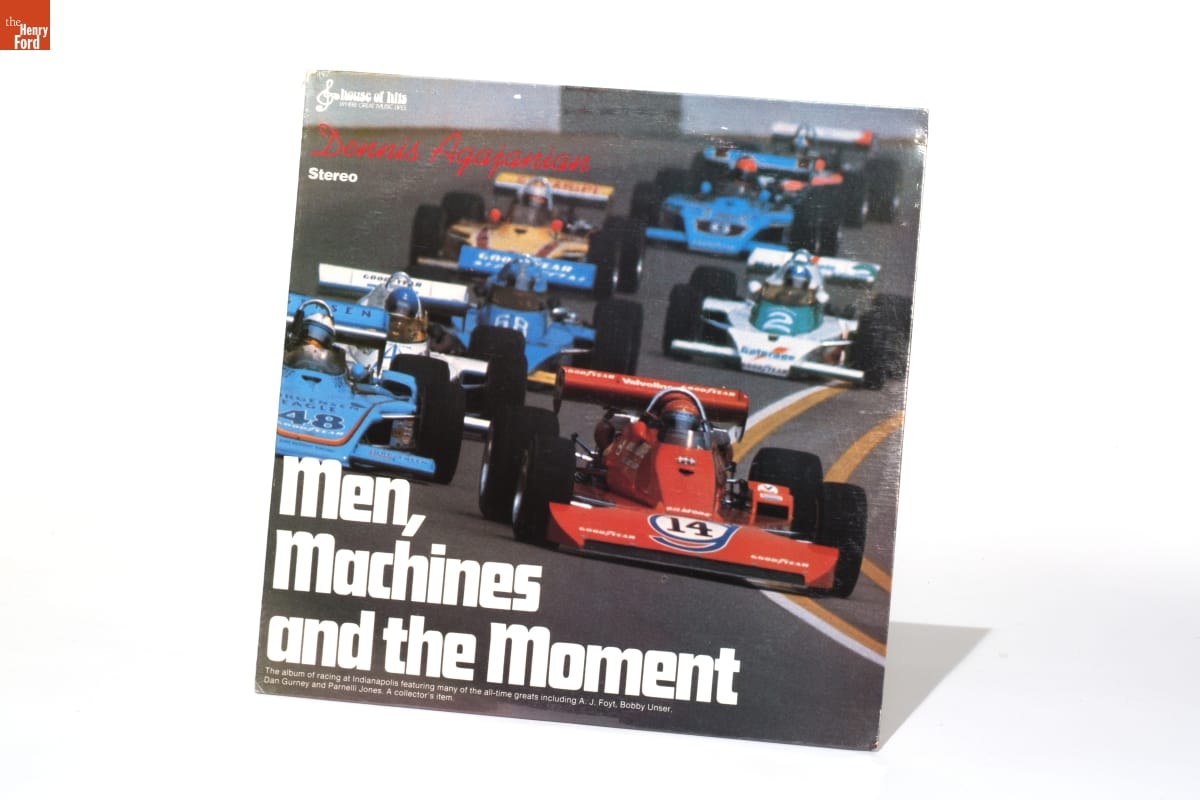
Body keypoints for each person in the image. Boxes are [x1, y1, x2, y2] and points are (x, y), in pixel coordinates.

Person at [284, 301, 347, 375]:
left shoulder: (333, 363)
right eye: (311, 332)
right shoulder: (290, 352)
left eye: (321, 335)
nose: (314, 341)